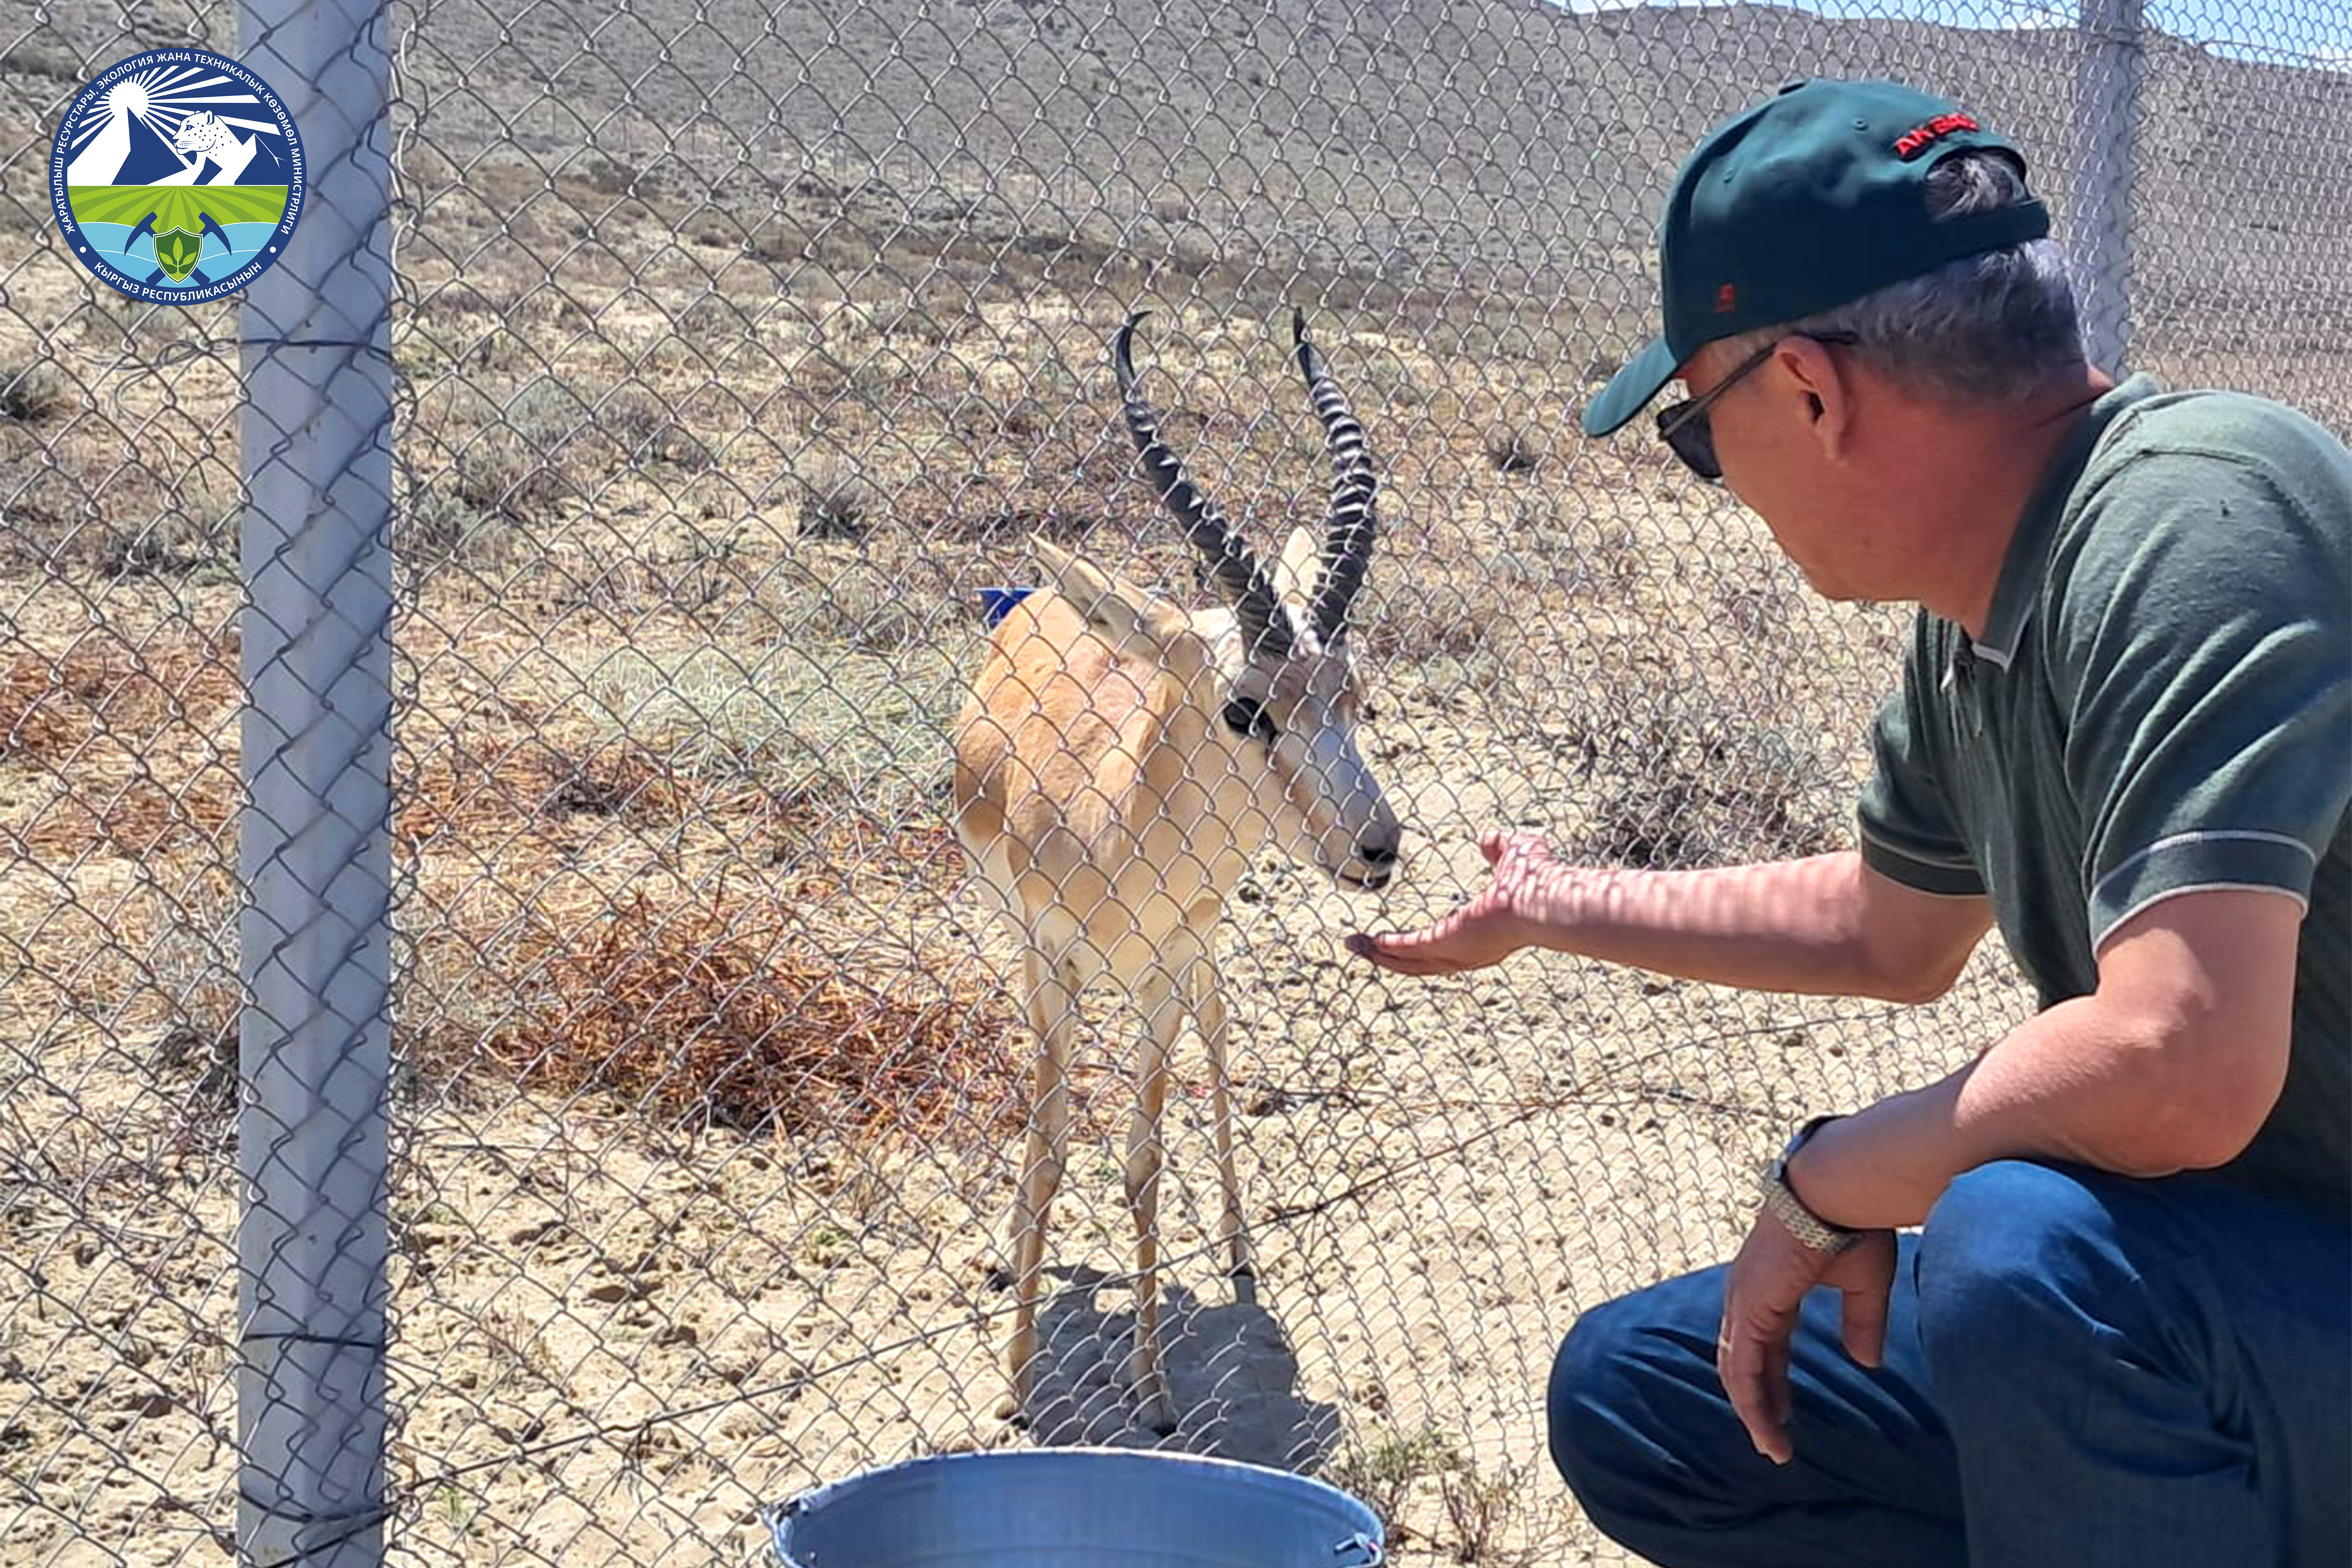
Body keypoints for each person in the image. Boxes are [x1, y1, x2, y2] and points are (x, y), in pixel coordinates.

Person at [1346, 77, 2350, 1566]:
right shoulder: (1987, 607)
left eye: (1698, 429)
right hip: (2242, 1297)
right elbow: (1884, 929)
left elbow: (2177, 1063)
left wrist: (1826, 1180)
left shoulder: (2197, 522)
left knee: (2025, 1253)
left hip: (2289, 1294)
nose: (1715, 481)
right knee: (1647, 1400)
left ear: (1811, 389)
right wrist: (1555, 905)